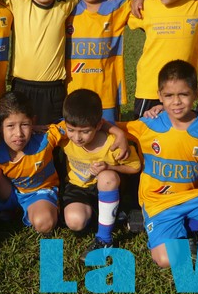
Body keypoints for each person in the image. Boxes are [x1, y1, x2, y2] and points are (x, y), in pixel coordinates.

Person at [0, 91, 129, 256]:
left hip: (38, 192)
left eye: (24, 125)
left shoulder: (47, 137)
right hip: (9, 190)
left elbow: (85, 123)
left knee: (44, 223)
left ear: (34, 122)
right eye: (10, 126)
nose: (18, 133)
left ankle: (16, 213)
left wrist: (118, 132)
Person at [120, 60, 198, 267]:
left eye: (183, 94)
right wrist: (117, 134)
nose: (176, 102)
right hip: (157, 202)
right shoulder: (149, 124)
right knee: (165, 260)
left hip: (190, 197)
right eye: (169, 96)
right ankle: (161, 224)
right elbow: (114, 127)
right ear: (160, 96)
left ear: (195, 94)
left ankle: (183, 228)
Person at [0, 0, 78, 125]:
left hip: (53, 88)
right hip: (22, 86)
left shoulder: (65, 3)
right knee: (21, 133)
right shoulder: (17, 0)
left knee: (51, 134)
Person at [60, 89, 141, 259]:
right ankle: (109, 215)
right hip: (78, 187)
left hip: (107, 186)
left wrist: (110, 167)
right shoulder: (64, 136)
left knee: (107, 177)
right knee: (75, 222)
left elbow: (135, 167)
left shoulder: (114, 144)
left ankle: (104, 239)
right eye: (71, 130)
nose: (77, 137)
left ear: (98, 126)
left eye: (85, 131)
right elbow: (46, 131)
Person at [66, 0, 131, 122]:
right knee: (76, 135)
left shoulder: (118, 8)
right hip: (73, 94)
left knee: (108, 136)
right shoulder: (67, 9)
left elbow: (147, 5)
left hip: (106, 95)